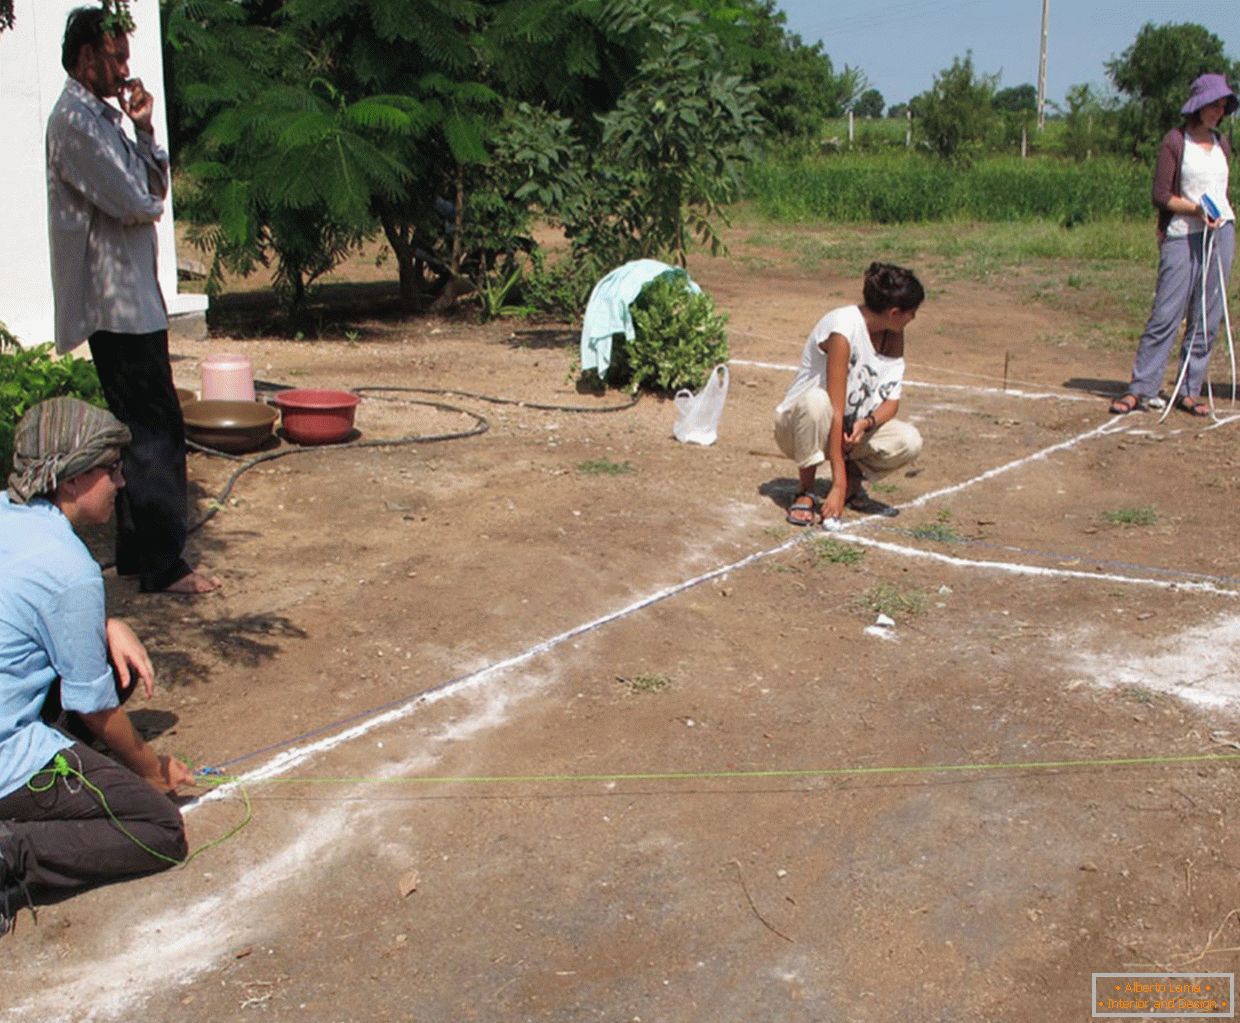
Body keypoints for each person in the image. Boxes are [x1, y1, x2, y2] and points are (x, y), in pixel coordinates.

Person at [0, 398, 191, 936]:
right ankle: (11, 852)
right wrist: (152, 774)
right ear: (69, 480)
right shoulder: (70, 569)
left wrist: (107, 624)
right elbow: (96, 707)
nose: (122, 482)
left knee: (107, 657)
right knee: (157, 830)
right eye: (110, 470)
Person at [46, 6, 219, 593]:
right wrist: (148, 189)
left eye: (126, 56)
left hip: (133, 303)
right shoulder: (75, 121)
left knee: (134, 430)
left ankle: (138, 555)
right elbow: (139, 202)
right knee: (156, 429)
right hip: (113, 306)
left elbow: (154, 186)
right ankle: (164, 563)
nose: (124, 69)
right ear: (86, 57)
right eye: (114, 56)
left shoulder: (105, 120)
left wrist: (144, 128)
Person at [1110, 73, 1236, 417]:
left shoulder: (1222, 143)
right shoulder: (1175, 142)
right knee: (1166, 313)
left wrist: (1216, 214)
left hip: (1220, 232)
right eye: (1214, 104)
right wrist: (1195, 209)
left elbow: (1222, 190)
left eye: (1223, 105)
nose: (1219, 110)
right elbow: (1161, 195)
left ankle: (1188, 388)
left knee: (1206, 316)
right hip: (1182, 233)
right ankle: (1142, 387)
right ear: (1199, 105)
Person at [773, 262, 925, 525]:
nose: (913, 318)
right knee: (817, 402)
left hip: (845, 432)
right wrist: (836, 485)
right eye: (911, 312)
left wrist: (866, 424)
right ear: (894, 312)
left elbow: (892, 402)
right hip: (800, 427)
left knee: (908, 440)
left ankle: (854, 479)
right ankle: (806, 490)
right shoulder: (842, 328)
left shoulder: (894, 335)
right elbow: (836, 405)